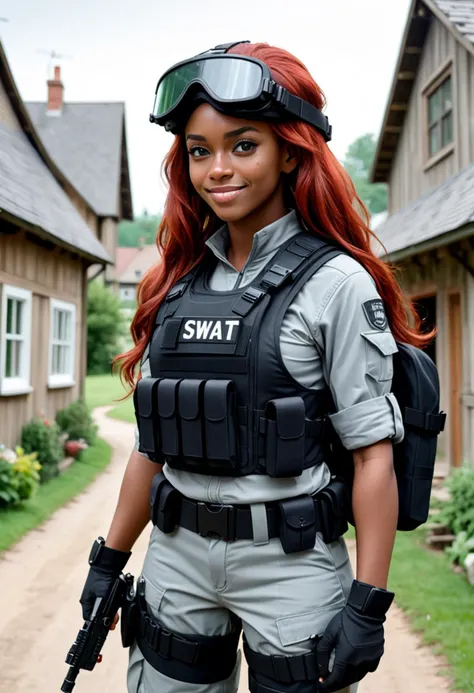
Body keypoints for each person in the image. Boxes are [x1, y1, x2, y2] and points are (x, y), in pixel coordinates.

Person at [79, 41, 433, 693]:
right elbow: (150, 447)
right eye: (199, 149)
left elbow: (373, 455)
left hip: (292, 561)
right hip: (177, 559)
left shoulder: (336, 283)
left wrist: (368, 603)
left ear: (290, 150)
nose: (218, 168)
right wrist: (110, 560)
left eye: (243, 145)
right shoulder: (176, 284)